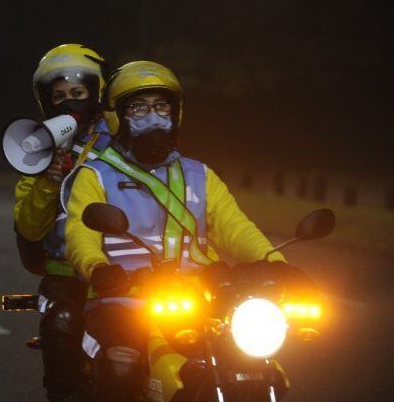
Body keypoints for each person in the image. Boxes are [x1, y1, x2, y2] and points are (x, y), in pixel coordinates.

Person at [63, 61, 301, 402]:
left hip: (203, 297)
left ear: (176, 113)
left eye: (161, 106)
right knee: (122, 365)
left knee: (256, 361)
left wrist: (278, 264)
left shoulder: (200, 175)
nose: (153, 116)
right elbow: (79, 233)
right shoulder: (96, 175)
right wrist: (99, 269)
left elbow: (236, 227)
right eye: (139, 108)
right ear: (117, 115)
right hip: (123, 297)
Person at [13, 44, 112, 402]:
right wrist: (48, 181)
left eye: (78, 93)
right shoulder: (40, 149)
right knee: (61, 327)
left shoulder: (124, 139)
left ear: (96, 93)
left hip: (124, 271)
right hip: (67, 276)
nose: (69, 102)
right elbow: (28, 227)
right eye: (58, 96)